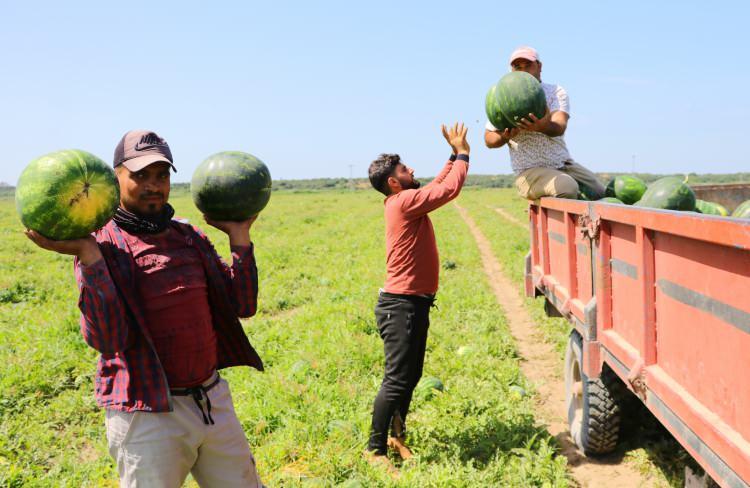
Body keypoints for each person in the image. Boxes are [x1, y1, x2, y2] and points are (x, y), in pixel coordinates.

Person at [25, 130, 265, 487]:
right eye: (141, 176)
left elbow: (241, 306)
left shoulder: (188, 236)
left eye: (162, 175)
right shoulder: (102, 245)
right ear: (114, 178)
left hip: (210, 398)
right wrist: (88, 256)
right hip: (147, 413)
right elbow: (108, 339)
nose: (154, 186)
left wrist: (239, 236)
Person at [365, 123, 470, 469]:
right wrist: (464, 155)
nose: (411, 170)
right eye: (404, 169)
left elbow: (439, 184)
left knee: (410, 375)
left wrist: (453, 155)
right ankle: (374, 449)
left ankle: (396, 436)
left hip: (414, 303)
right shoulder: (404, 202)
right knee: (396, 380)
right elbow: (450, 189)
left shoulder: (406, 199)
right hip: (401, 305)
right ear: (394, 182)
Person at [484, 46, 605, 200]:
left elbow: (559, 126)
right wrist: (504, 136)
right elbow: (488, 139)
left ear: (539, 66)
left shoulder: (555, 92)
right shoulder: (502, 96)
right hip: (529, 171)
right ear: (511, 70)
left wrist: (543, 127)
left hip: (563, 164)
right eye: (517, 67)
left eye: (528, 65)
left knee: (600, 192)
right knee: (567, 187)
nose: (523, 70)